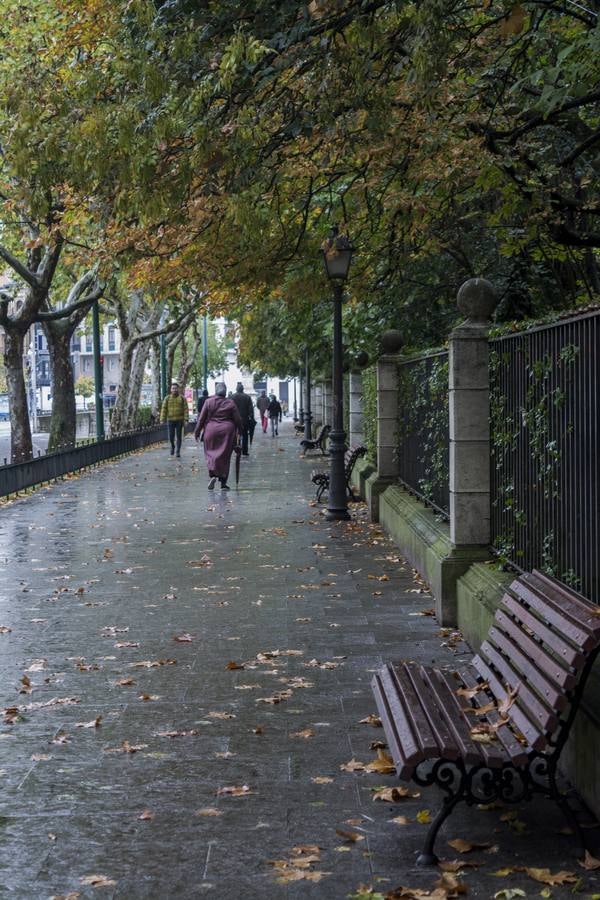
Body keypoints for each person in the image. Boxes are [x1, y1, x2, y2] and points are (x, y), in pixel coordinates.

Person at [194, 383, 243, 490]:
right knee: (225, 457)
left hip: (211, 430)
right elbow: (238, 419)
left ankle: (213, 475)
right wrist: (241, 430)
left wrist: (197, 432)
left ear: (215, 391)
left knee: (211, 454)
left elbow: (201, 419)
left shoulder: (208, 402)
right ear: (225, 392)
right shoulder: (231, 403)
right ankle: (223, 483)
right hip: (227, 432)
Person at [160, 382, 188, 458]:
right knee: (171, 436)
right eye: (173, 388)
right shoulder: (167, 398)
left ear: (178, 389)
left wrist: (186, 420)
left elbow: (186, 409)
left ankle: (178, 451)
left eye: (176, 388)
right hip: (170, 420)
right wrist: (162, 419)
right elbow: (164, 409)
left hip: (179, 420)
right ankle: (172, 446)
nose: (174, 390)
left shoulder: (182, 398)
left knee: (179, 437)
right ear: (170, 389)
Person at [231, 382, 254, 456]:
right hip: (244, 419)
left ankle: (235, 448)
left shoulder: (232, 397)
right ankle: (244, 450)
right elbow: (251, 409)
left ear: (236, 389)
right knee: (245, 435)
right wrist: (251, 417)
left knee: (234, 434)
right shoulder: (247, 397)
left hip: (234, 420)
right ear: (243, 389)